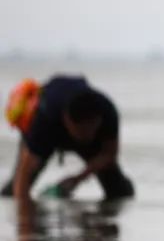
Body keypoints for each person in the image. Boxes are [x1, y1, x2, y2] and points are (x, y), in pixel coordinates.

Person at [2, 75, 134, 202]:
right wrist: (24, 221)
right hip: (48, 129)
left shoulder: (108, 111)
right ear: (67, 121)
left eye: (91, 131)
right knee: (13, 190)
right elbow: (22, 182)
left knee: (120, 192)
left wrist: (77, 179)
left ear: (99, 121)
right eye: (81, 132)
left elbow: (109, 155)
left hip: (87, 132)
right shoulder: (43, 122)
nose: (86, 137)